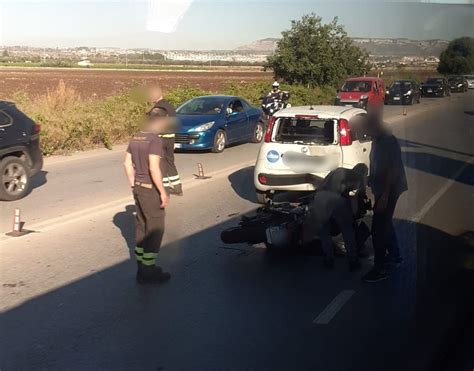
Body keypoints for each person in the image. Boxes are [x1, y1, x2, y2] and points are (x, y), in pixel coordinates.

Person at [123, 111, 171, 284]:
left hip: (138, 189)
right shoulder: (154, 140)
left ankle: (142, 269)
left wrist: (133, 184)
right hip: (150, 191)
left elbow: (127, 163)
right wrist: (163, 192)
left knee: (142, 228)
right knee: (155, 230)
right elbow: (154, 168)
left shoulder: (137, 137)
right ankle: (149, 272)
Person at [362, 118, 408, 283]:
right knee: (385, 223)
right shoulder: (378, 140)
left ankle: (380, 268)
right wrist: (370, 178)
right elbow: (378, 165)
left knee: (378, 229)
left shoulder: (387, 141)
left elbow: (392, 169)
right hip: (382, 188)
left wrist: (385, 195)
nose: (364, 133)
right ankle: (395, 256)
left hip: (389, 190)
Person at [303, 164, 369, 272]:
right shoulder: (358, 178)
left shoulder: (339, 170)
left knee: (324, 230)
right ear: (364, 173)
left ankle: (329, 259)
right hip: (337, 199)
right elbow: (357, 198)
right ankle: (353, 261)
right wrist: (352, 215)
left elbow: (324, 184)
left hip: (320, 197)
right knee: (347, 230)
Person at [148, 86, 183, 196]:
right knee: (170, 162)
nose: (150, 97)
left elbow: (153, 127)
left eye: (151, 95)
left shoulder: (157, 109)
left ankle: (165, 190)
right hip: (171, 138)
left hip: (161, 139)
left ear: (156, 95)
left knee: (160, 164)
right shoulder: (170, 107)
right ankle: (177, 188)